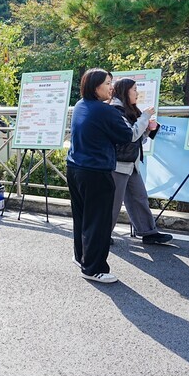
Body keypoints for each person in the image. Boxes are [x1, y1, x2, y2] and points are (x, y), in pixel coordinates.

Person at [66, 69, 139, 284]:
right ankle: (94, 268)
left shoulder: (81, 105)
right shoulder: (105, 111)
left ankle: (81, 258)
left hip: (75, 169)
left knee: (82, 217)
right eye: (108, 83)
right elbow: (127, 136)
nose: (112, 87)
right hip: (96, 172)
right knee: (98, 221)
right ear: (95, 87)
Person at [110, 79, 173, 245]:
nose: (137, 93)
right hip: (117, 164)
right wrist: (145, 117)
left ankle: (148, 232)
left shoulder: (127, 110)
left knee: (139, 197)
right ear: (124, 91)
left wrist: (148, 131)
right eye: (134, 89)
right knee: (113, 203)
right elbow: (130, 136)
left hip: (131, 162)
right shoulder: (115, 110)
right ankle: (101, 234)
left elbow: (136, 139)